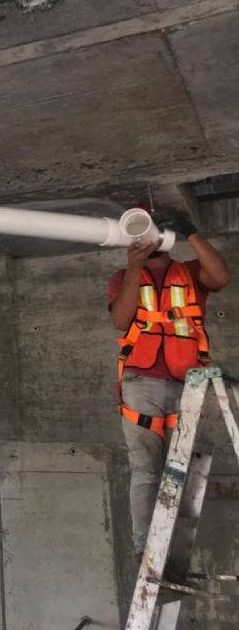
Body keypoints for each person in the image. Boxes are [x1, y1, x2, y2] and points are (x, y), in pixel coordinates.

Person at [108, 210, 229, 560]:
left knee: (184, 468)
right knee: (146, 469)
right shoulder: (122, 276)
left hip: (187, 382)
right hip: (141, 383)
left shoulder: (189, 273)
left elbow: (220, 278)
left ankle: (175, 545)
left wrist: (190, 232)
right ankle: (145, 547)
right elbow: (121, 320)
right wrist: (134, 266)